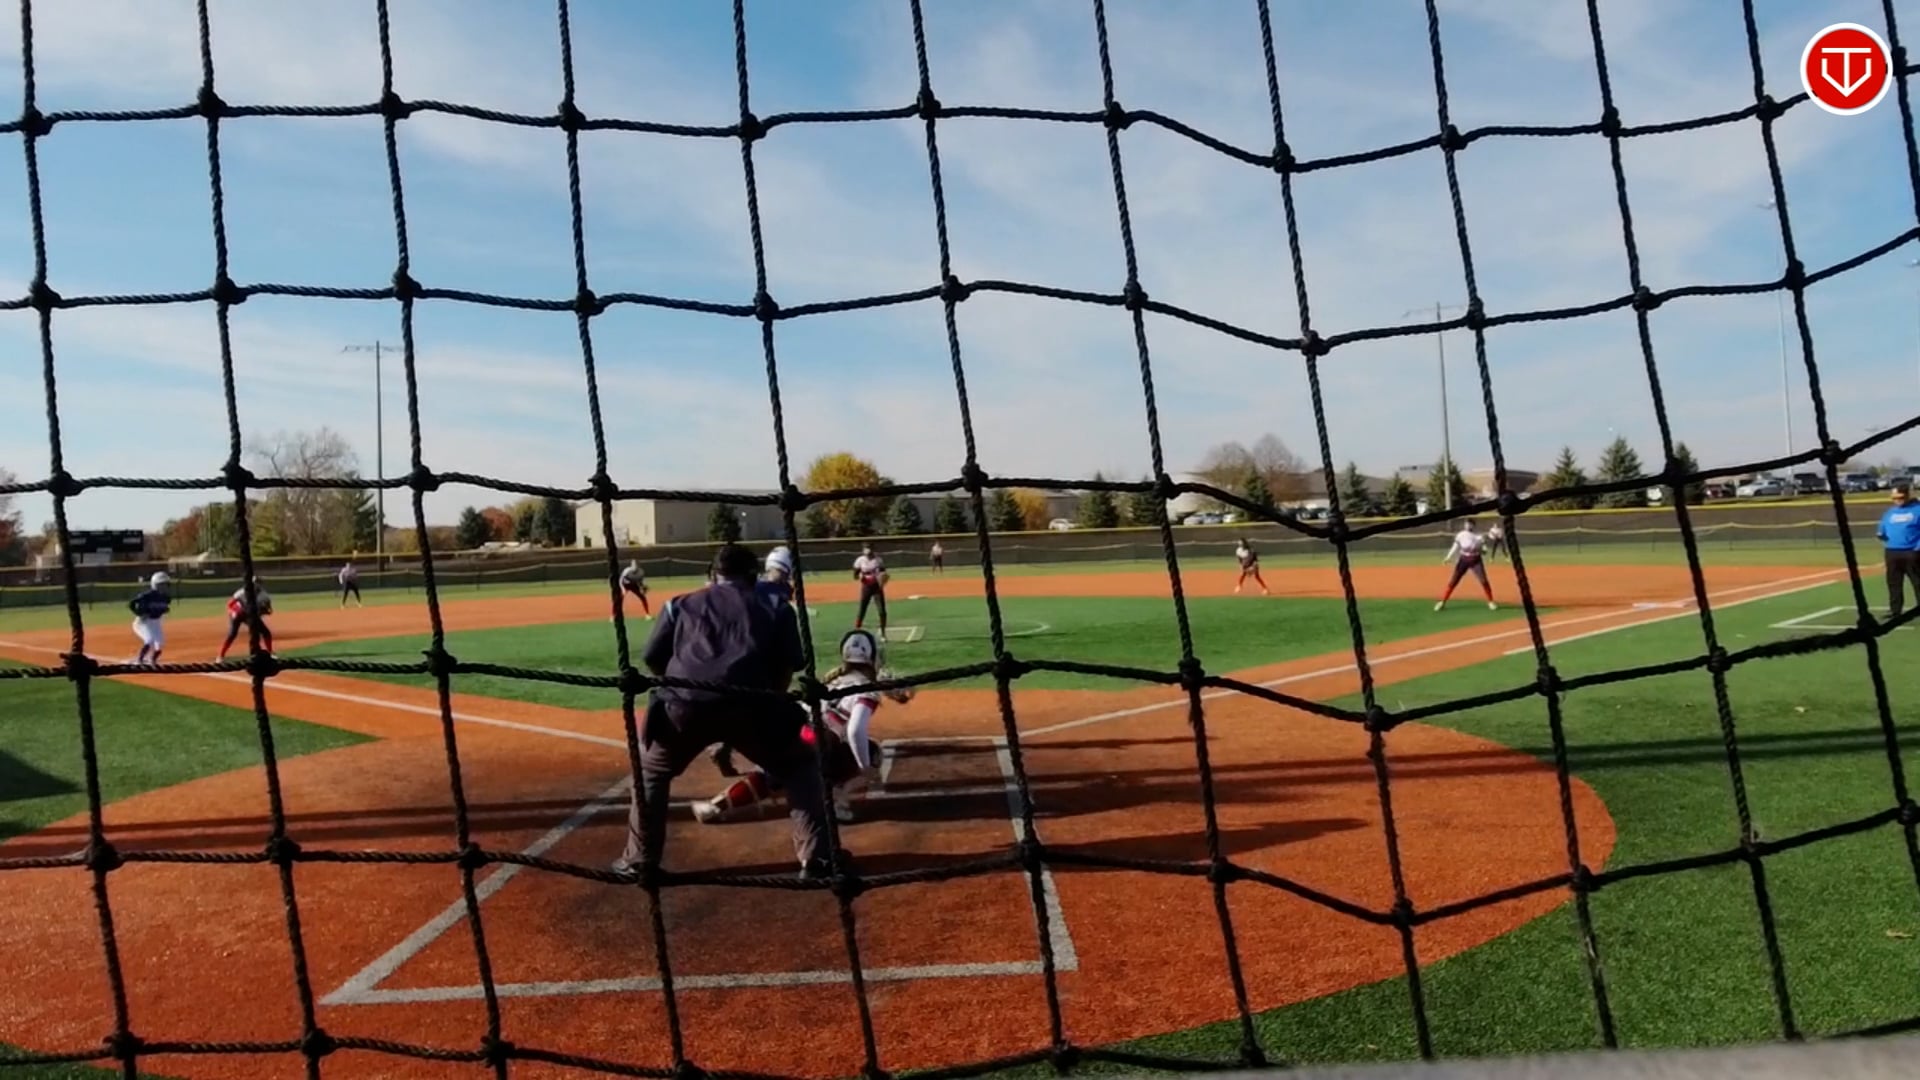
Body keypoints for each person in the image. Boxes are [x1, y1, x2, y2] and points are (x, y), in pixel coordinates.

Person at [613, 543, 841, 882]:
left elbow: (652, 657)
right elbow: (792, 663)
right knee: (799, 766)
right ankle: (817, 861)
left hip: (684, 707)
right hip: (754, 705)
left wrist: (679, 687)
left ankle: (639, 861)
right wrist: (772, 699)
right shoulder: (776, 606)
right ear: (754, 576)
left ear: (712, 575)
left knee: (652, 773)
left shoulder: (678, 604)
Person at [692, 628, 914, 826]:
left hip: (793, 733)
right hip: (818, 744)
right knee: (870, 752)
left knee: (772, 775)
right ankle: (834, 802)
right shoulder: (866, 691)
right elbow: (855, 730)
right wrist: (865, 768)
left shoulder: (830, 680)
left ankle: (715, 806)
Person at [711, 545, 799, 779]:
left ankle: (724, 746)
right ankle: (771, 766)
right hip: (761, 658)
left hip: (727, 656)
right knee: (769, 712)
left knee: (737, 706)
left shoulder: (751, 584)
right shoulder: (779, 593)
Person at [1877, 480, 1920, 618]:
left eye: (1900, 497)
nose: (1897, 500)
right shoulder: (1890, 512)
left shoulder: (1917, 509)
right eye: (1894, 498)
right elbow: (1882, 530)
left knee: (1918, 582)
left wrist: (1918, 547)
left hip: (1912, 552)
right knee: (1893, 582)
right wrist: (1881, 535)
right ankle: (1895, 610)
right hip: (1892, 552)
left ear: (1907, 495)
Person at [1436, 518, 1498, 612]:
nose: (1467, 525)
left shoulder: (1478, 537)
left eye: (1470, 524)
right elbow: (1455, 547)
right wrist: (1448, 557)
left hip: (1476, 560)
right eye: (1466, 524)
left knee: (1484, 581)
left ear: (1473, 525)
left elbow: (1485, 551)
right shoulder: (1461, 535)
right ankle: (1442, 602)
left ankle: (1491, 602)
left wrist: (1481, 549)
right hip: (1463, 560)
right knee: (1453, 581)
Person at [216, 576, 275, 661]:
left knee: (266, 632)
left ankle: (270, 653)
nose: (256, 585)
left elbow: (269, 610)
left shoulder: (264, 596)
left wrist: (263, 611)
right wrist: (233, 611)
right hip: (238, 613)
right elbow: (230, 604)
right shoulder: (242, 592)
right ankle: (220, 656)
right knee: (232, 634)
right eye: (254, 583)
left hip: (250, 615)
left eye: (258, 583)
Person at [129, 571, 172, 667]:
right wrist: (140, 614)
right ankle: (139, 660)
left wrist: (163, 610)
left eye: (165, 584)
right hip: (143, 623)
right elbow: (131, 604)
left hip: (155, 622)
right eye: (161, 584)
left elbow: (163, 608)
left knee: (160, 643)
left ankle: (152, 660)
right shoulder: (147, 596)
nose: (164, 587)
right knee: (149, 640)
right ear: (155, 585)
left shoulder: (166, 598)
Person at [852, 543, 889, 641]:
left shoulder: (878, 560)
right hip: (866, 586)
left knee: (882, 611)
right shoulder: (860, 560)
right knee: (862, 609)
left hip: (877, 587)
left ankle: (883, 634)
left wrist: (883, 579)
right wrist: (859, 576)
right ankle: (857, 631)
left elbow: (883, 573)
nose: (868, 550)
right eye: (866, 548)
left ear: (873, 549)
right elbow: (855, 576)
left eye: (869, 548)